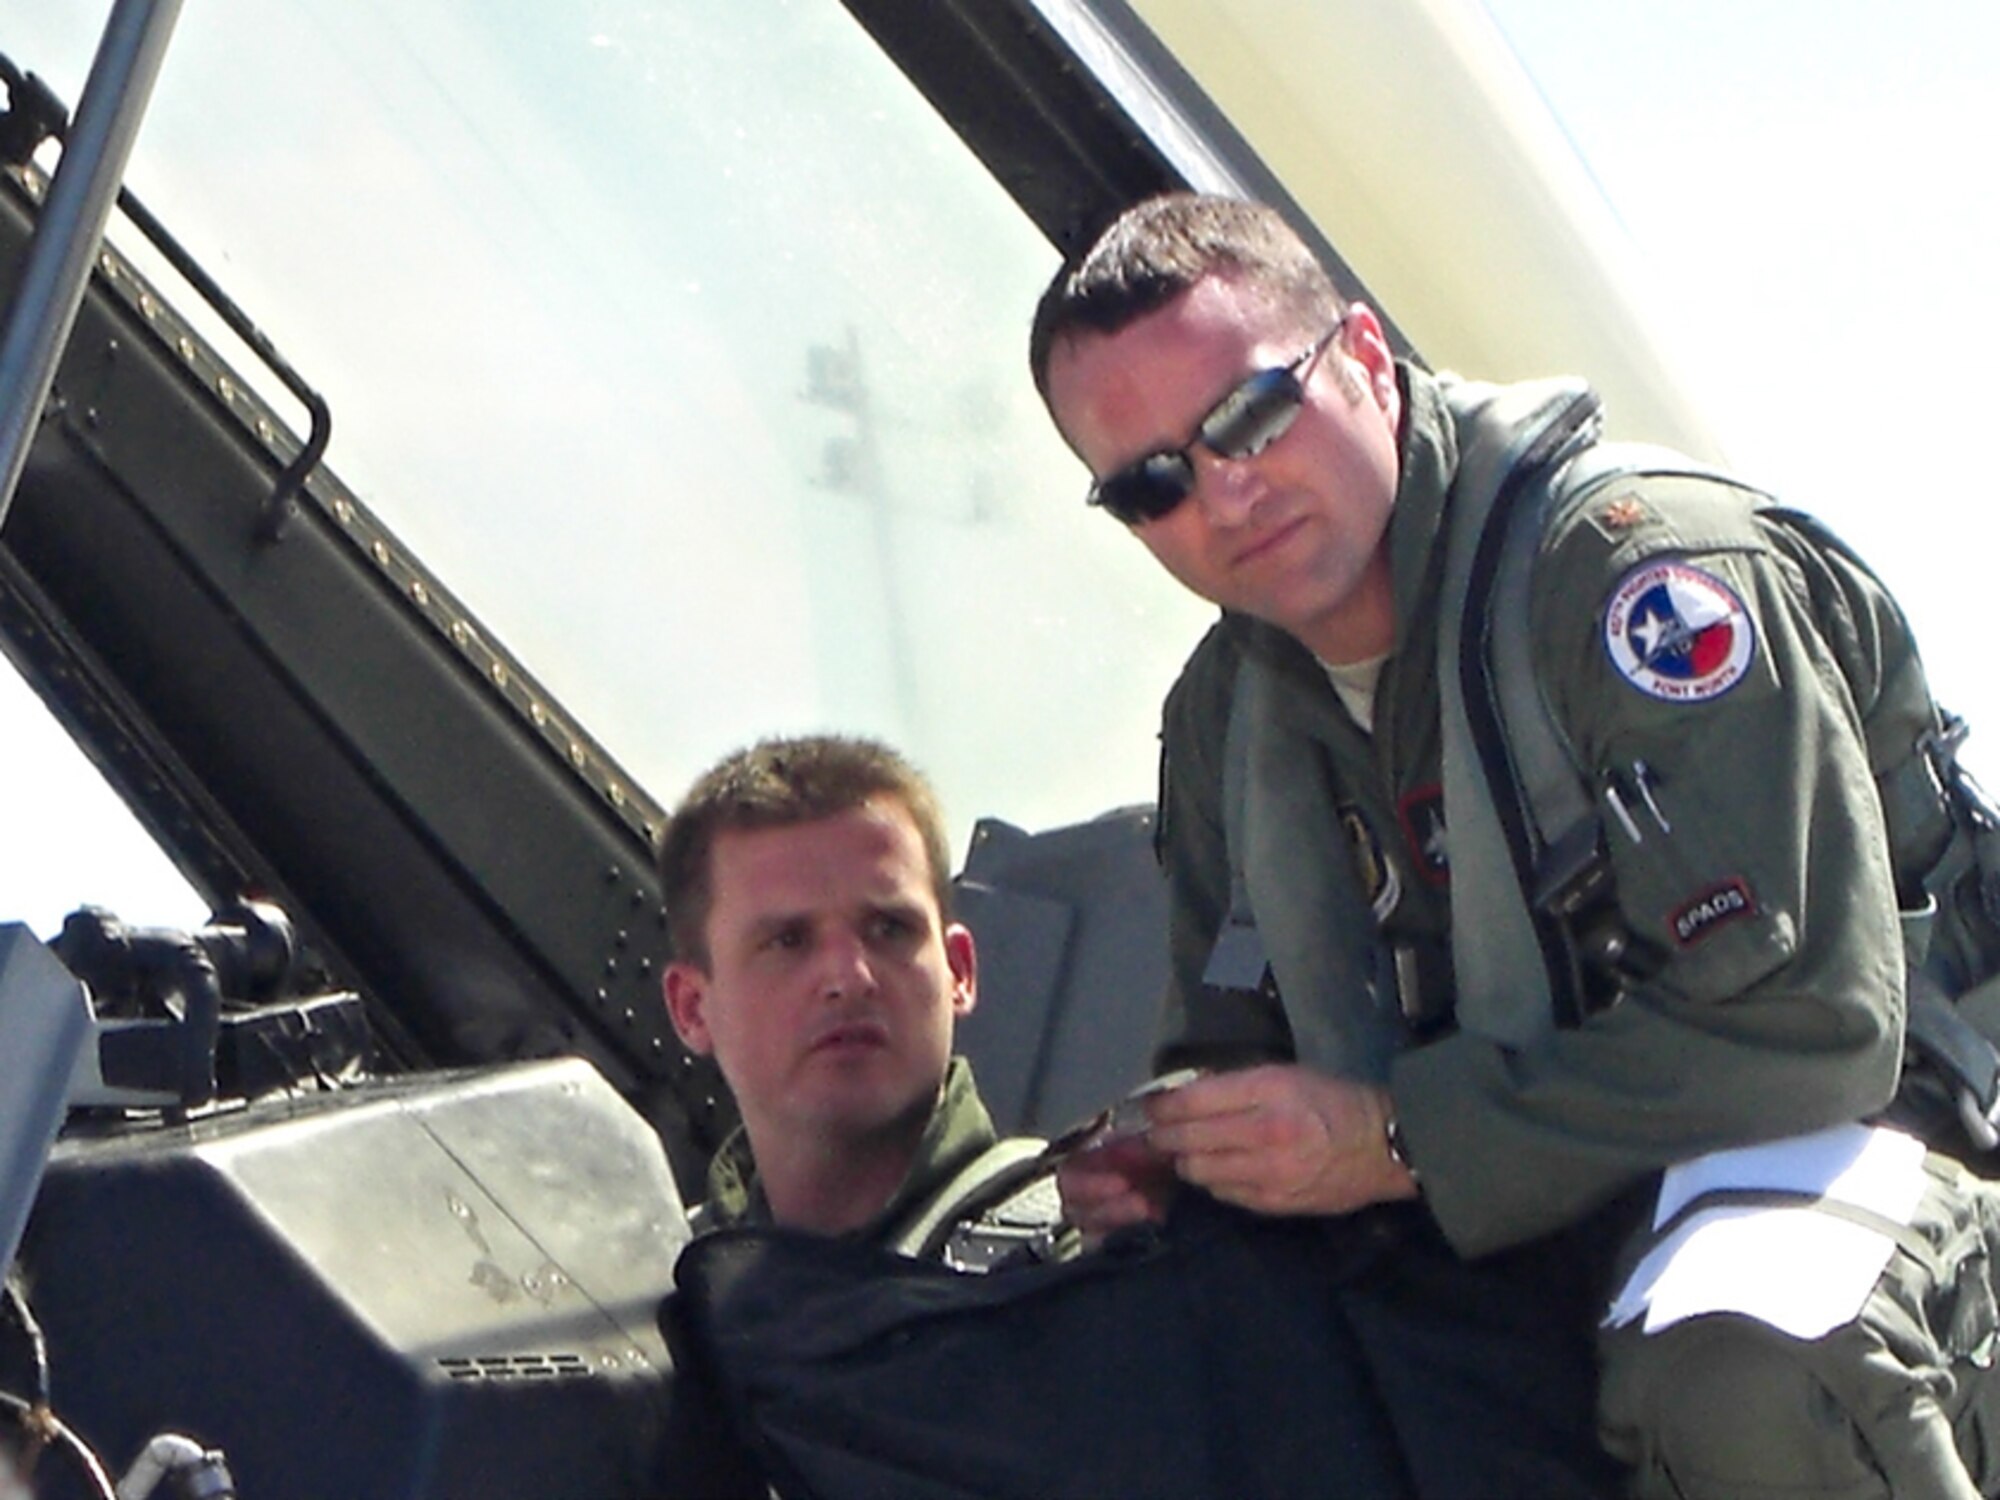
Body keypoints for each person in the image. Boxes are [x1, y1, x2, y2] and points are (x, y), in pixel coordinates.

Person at [1030, 191, 2000, 1498]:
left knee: (1752, 1364)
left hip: (1895, 1140)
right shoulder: (1227, 726)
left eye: (1249, 416)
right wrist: (1180, 1156)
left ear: (1367, 361)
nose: (1225, 490)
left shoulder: (1638, 583)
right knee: (1172, 1353)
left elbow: (1812, 1025)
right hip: (1544, 1207)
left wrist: (1393, 1140)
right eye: (1153, 482)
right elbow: (1230, 1036)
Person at [655, 732, 1058, 1257]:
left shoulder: (1092, 1265)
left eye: (889, 929)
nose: (850, 978)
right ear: (691, 1008)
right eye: (788, 941)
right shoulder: (649, 1304)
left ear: (959, 969)